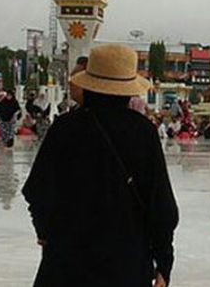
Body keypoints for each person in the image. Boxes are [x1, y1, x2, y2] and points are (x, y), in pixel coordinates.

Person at [22, 44, 179, 287]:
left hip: (67, 262)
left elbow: (37, 190)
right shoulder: (143, 132)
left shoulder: (65, 129)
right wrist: (164, 262)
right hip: (125, 262)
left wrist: (45, 232)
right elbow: (161, 206)